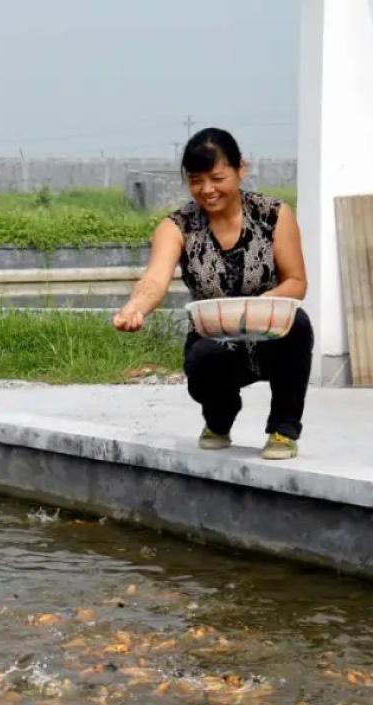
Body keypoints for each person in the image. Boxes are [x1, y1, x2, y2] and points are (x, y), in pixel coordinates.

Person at [113, 128, 313, 460]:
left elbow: (296, 281)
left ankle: (283, 429)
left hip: (269, 331)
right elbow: (154, 279)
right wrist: (135, 308)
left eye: (217, 178)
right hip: (215, 339)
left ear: (241, 169)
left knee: (299, 325)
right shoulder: (177, 226)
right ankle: (219, 420)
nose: (207, 190)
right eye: (196, 180)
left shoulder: (274, 215)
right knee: (203, 362)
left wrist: (258, 309)